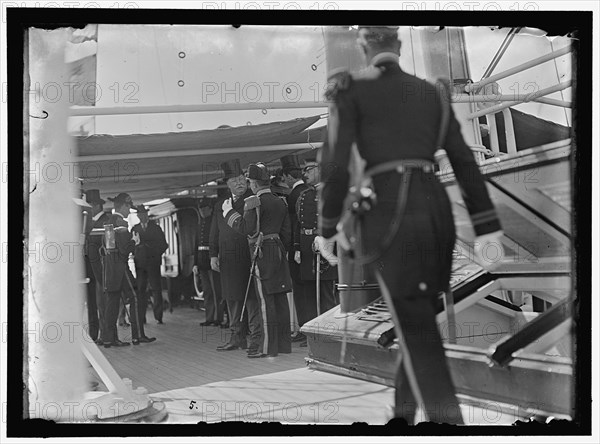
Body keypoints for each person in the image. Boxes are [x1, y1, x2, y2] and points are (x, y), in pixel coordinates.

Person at [317, 27, 504, 425]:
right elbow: (464, 160)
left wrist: (329, 225)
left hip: (388, 215)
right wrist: (487, 225)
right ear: (399, 47)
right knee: (415, 316)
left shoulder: (350, 89)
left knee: (415, 322)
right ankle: (402, 419)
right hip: (435, 213)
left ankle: (449, 424)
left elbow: (334, 164)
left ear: (365, 47)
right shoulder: (431, 92)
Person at [222, 162, 293, 358]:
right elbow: (287, 233)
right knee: (280, 299)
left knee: (265, 301)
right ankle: (283, 345)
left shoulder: (254, 202)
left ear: (253, 183)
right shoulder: (281, 202)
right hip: (278, 251)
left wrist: (229, 213)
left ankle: (266, 347)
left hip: (262, 253)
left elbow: (248, 229)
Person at [209, 159, 260, 353]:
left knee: (251, 298)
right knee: (232, 298)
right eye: (234, 180)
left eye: (241, 179)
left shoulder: (252, 200)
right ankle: (236, 337)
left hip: (248, 255)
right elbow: (215, 232)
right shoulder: (221, 204)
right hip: (228, 259)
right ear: (227, 183)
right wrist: (213, 254)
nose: (239, 183)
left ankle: (255, 338)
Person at [101, 193, 156, 347]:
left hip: (110, 269)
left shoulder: (108, 222)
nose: (129, 212)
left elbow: (109, 247)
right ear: (123, 206)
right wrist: (134, 241)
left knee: (112, 304)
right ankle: (137, 336)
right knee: (135, 297)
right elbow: (124, 250)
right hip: (121, 268)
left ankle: (108, 339)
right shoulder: (121, 223)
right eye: (128, 208)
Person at [296, 158, 339, 316]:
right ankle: (313, 335)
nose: (305, 173)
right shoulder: (304, 195)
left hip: (326, 248)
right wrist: (297, 248)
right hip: (307, 249)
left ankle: (330, 332)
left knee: (327, 295)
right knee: (310, 294)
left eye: (309, 169)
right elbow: (298, 224)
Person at [280, 154, 311, 346]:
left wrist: (291, 249)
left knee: (301, 292)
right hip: (313, 248)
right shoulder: (309, 190)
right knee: (312, 291)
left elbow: (292, 227)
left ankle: (304, 329)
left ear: (288, 177)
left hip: (297, 249)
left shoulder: (293, 196)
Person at [132, 205, 169, 325]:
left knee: (156, 290)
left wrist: (154, 253)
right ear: (137, 216)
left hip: (153, 263)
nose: (141, 216)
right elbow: (131, 245)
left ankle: (159, 317)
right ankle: (141, 318)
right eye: (139, 214)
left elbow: (164, 245)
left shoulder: (155, 228)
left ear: (146, 215)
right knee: (141, 291)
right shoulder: (135, 229)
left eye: (143, 214)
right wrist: (136, 253)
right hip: (140, 265)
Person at [83, 189, 109, 344]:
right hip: (89, 270)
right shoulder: (88, 221)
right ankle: (94, 334)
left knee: (102, 304)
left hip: (100, 269)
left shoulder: (105, 221)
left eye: (89, 205)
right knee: (93, 304)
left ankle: (105, 336)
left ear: (96, 205)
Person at [193, 198, 224, 327]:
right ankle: (209, 317)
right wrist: (195, 263)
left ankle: (218, 317)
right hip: (202, 261)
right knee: (207, 291)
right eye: (200, 209)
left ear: (210, 209)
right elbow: (196, 245)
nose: (202, 211)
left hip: (212, 259)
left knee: (217, 290)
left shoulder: (214, 222)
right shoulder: (200, 224)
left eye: (204, 208)